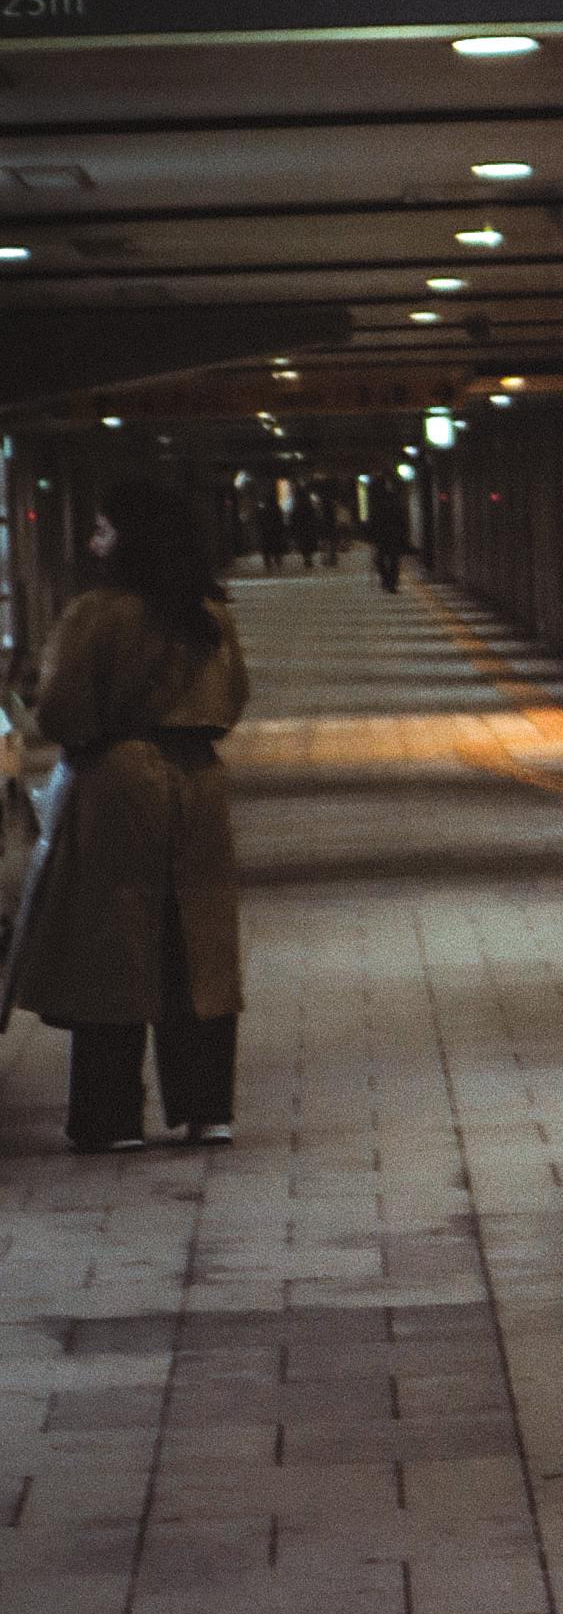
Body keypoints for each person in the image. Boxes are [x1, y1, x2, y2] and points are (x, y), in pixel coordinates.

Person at [15, 476, 250, 1151]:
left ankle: (111, 1118)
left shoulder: (98, 613)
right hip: (199, 785)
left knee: (114, 944)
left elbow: (61, 713)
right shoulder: (210, 614)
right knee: (196, 941)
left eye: (103, 530)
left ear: (132, 539)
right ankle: (208, 1108)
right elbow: (233, 699)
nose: (93, 543)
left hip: (118, 785)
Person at [367, 473, 410, 594]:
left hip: (383, 534)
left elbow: (373, 520)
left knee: (383, 559)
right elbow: (401, 518)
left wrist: (371, 535)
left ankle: (387, 580)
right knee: (392, 559)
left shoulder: (376, 502)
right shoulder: (394, 500)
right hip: (392, 534)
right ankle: (391, 582)